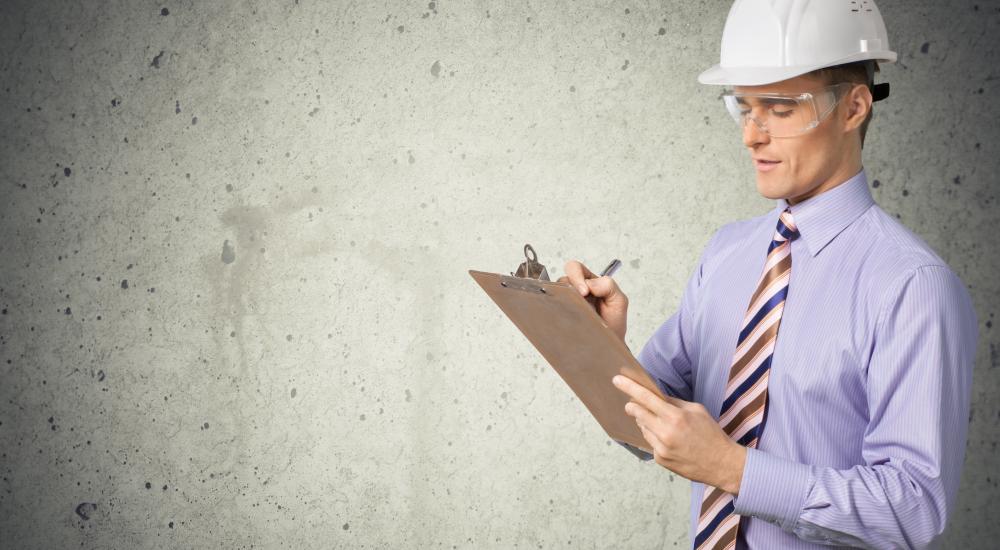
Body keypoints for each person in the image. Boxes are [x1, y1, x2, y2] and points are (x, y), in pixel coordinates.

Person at [558, 1, 979, 548]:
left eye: (779, 108)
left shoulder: (911, 287)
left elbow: (912, 508)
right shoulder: (727, 253)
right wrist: (598, 346)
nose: (751, 137)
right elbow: (646, 431)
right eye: (743, 107)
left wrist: (734, 469)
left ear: (854, 107)